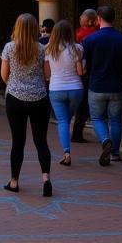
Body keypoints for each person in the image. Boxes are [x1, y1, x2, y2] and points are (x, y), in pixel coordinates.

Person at [1, 13, 53, 196]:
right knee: (41, 141)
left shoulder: (9, 48)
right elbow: (48, 75)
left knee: (18, 141)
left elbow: (3, 75)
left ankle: (14, 181)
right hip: (39, 98)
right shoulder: (41, 49)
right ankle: (46, 178)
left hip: (15, 99)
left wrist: (15, 83)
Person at [82, 5, 122, 166]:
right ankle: (114, 153)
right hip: (117, 86)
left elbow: (84, 65)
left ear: (98, 18)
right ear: (114, 18)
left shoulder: (90, 40)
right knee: (116, 120)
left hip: (97, 86)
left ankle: (105, 140)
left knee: (98, 117)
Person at [44, 19, 84, 166]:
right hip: (75, 89)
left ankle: (66, 153)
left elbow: (46, 73)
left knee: (62, 122)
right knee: (68, 119)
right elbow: (80, 72)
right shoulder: (77, 48)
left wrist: (51, 78)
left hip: (56, 89)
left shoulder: (48, 49)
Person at [71, 8, 99, 143]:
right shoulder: (95, 32)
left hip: (82, 73)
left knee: (82, 105)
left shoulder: (80, 33)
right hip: (92, 73)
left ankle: (77, 132)